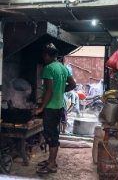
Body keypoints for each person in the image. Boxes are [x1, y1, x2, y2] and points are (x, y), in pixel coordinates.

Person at [31, 43, 76, 174]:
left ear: (46, 55)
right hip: (59, 106)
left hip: (50, 107)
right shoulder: (63, 68)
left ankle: (51, 165)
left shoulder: (48, 68)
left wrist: (41, 108)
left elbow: (49, 90)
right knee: (53, 134)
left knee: (51, 137)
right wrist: (61, 90)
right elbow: (73, 85)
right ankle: (51, 160)